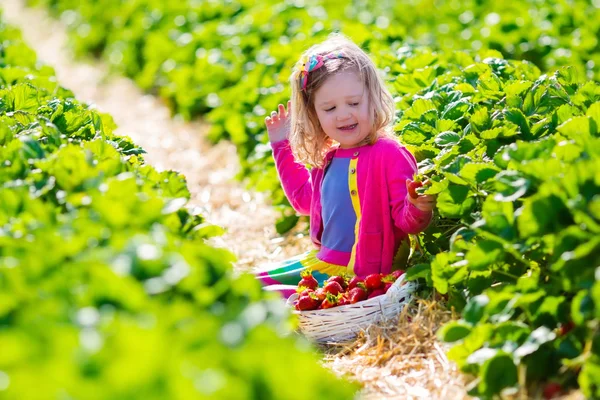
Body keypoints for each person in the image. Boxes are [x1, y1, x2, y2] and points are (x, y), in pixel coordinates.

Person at [255, 34, 436, 299]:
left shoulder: (389, 154)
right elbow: (303, 202)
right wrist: (280, 145)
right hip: (324, 264)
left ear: (373, 99)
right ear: (314, 114)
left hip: (364, 276)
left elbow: (406, 221)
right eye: (329, 108)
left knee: (275, 298)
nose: (343, 114)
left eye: (354, 103)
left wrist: (419, 206)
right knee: (248, 285)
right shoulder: (327, 158)